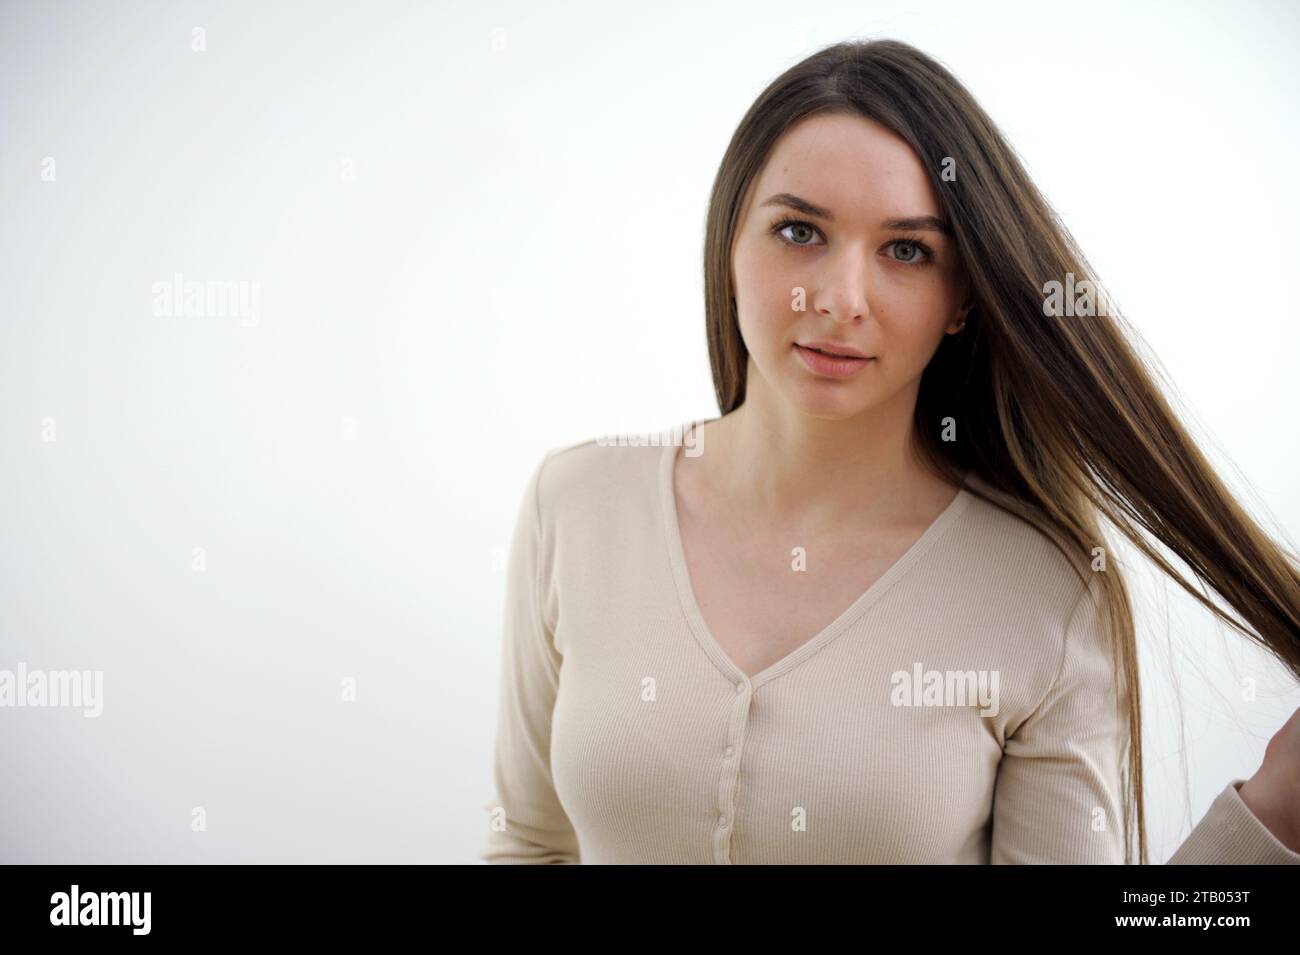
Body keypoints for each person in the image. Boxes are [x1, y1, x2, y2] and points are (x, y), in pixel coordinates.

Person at [481, 39, 1300, 864]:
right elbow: (527, 843)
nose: (841, 300)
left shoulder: (1044, 596)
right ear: (728, 243)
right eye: (799, 230)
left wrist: (1270, 821)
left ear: (961, 299)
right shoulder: (575, 503)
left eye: (907, 250)